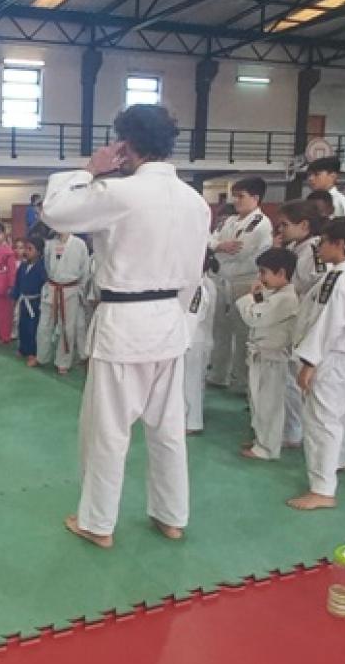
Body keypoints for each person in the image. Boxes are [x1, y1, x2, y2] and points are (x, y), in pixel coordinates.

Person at [41, 104, 210, 548]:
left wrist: (88, 170)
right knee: (168, 428)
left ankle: (98, 523)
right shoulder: (195, 201)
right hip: (170, 322)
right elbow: (194, 273)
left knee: (108, 431)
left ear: (126, 145)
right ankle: (172, 517)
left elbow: (55, 213)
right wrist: (176, 318)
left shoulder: (123, 193)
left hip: (125, 323)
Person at [288, 216, 345, 510]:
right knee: (337, 417)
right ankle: (336, 462)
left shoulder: (340, 278)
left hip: (331, 357)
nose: (320, 247)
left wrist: (309, 363)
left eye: (324, 242)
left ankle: (323, 489)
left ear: (341, 245)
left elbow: (328, 324)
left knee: (321, 421)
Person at [207, 177, 273, 394]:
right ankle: (219, 374)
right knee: (220, 330)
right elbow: (209, 241)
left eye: (241, 196)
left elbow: (239, 251)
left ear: (255, 198)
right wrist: (219, 246)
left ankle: (242, 381)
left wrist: (218, 247)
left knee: (243, 333)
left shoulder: (259, 223)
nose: (236, 201)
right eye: (235, 196)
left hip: (245, 281)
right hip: (222, 280)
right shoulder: (230, 220)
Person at [235, 248, 299, 461]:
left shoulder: (287, 298)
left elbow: (255, 317)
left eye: (264, 272)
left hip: (272, 358)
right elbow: (263, 307)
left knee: (269, 404)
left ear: (281, 273)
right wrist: (257, 296)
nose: (260, 278)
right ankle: (262, 440)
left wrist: (248, 298)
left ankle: (267, 448)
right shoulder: (278, 295)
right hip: (261, 355)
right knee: (258, 401)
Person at [275, 200, 329, 448]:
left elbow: (318, 287)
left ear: (304, 225)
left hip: (308, 322)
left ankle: (294, 431)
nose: (281, 230)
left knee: (296, 381)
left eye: (285, 225)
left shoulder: (316, 251)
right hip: (296, 318)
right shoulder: (299, 247)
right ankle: (291, 427)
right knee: (290, 379)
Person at [36, 229, 91, 375]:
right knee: (44, 325)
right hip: (53, 287)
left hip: (70, 289)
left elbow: (85, 271)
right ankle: (42, 356)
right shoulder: (50, 244)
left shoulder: (80, 244)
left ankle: (63, 361)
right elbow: (47, 266)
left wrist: (79, 288)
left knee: (68, 327)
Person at [183, 250, 217, 436]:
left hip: (194, 340)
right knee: (190, 381)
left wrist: (182, 341)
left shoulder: (199, 287)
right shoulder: (202, 283)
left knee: (191, 382)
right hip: (195, 339)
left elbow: (192, 316)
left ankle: (192, 421)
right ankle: (188, 418)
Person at [12, 235, 48, 367]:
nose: (26, 251)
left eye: (30, 249)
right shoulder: (22, 266)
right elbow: (17, 283)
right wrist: (14, 296)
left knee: (33, 328)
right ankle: (23, 348)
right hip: (24, 301)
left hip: (35, 302)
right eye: (26, 248)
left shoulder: (42, 267)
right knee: (22, 326)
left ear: (39, 252)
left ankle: (33, 353)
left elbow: (45, 285)